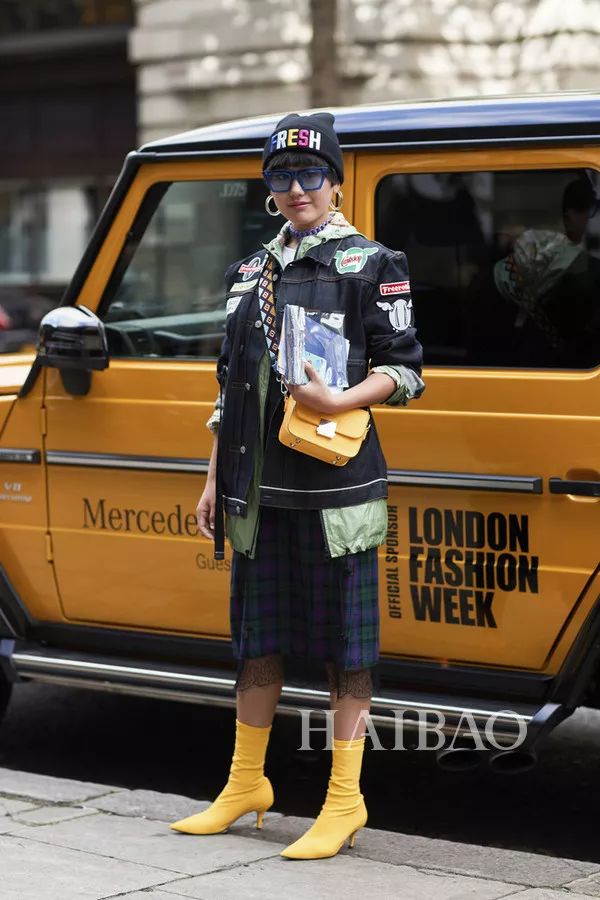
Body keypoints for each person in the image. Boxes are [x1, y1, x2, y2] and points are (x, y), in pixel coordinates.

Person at [170, 112, 424, 859]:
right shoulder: (249, 272)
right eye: (281, 176)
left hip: (338, 489)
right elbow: (229, 389)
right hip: (258, 490)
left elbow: (406, 370)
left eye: (310, 174)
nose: (296, 188)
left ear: (335, 181)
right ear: (269, 188)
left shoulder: (372, 263)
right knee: (257, 641)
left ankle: (345, 800)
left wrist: (340, 400)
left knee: (347, 648)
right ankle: (245, 783)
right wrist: (213, 479)